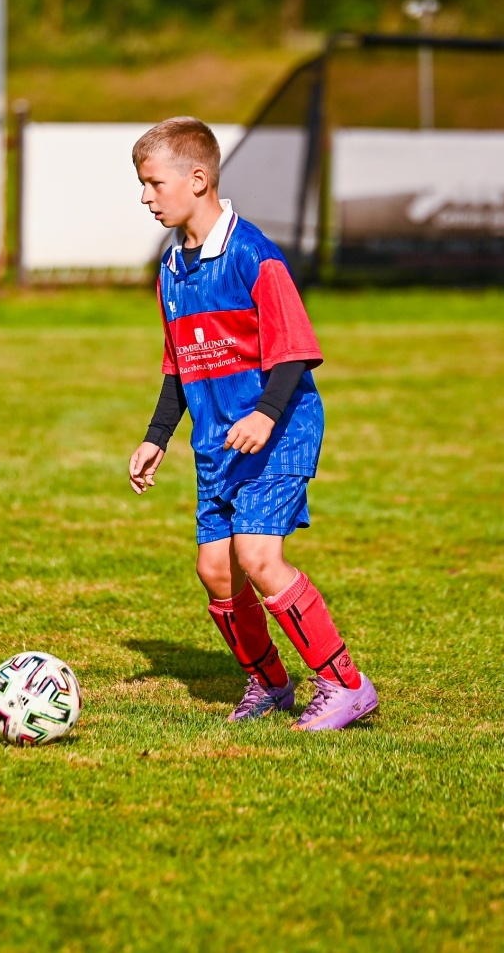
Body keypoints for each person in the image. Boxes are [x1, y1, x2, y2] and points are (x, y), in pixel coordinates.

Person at [126, 117, 377, 731]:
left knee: (259, 555)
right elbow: (179, 365)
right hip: (217, 441)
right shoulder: (172, 271)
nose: (145, 197)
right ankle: (269, 682)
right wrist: (157, 436)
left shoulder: (253, 255)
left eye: (154, 183)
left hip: (280, 429)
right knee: (215, 570)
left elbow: (294, 350)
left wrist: (266, 415)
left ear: (198, 178)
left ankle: (345, 684)